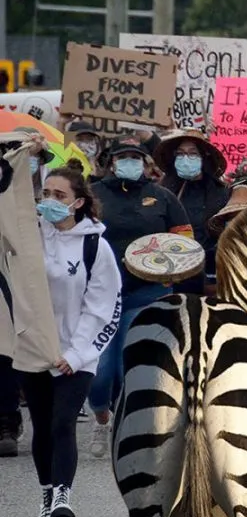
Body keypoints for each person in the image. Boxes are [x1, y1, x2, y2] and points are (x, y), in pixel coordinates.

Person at [15, 166, 122, 517]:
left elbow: (103, 306)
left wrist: (76, 355)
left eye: (59, 196)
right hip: (33, 349)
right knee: (41, 426)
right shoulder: (28, 239)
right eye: (45, 193)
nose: (50, 201)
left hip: (77, 354)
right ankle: (46, 497)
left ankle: (63, 499)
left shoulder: (95, 245)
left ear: (78, 203)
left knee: (63, 422)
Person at [88, 142, 191, 457]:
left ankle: (128, 427)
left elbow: (184, 239)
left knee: (130, 365)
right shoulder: (93, 194)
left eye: (135, 158)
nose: (130, 163)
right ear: (111, 163)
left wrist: (173, 271)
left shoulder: (163, 197)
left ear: (146, 164)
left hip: (148, 292)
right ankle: (101, 420)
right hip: (99, 296)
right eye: (123, 158)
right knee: (100, 374)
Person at [154, 130, 229, 296]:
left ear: (204, 158)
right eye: (180, 154)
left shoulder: (222, 193)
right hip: (169, 273)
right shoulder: (162, 192)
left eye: (192, 154)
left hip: (208, 275)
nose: (185, 158)